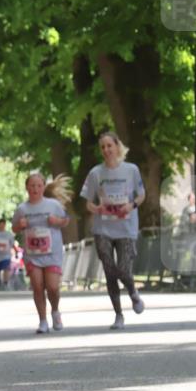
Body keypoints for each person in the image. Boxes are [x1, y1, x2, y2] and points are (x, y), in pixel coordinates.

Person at [80, 131, 146, 329]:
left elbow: (141, 195)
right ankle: (118, 315)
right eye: (103, 147)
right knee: (110, 271)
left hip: (126, 228)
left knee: (124, 269)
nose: (107, 150)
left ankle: (133, 292)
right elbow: (87, 203)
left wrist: (131, 205)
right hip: (103, 229)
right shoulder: (95, 173)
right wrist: (97, 208)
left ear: (118, 146)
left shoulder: (131, 170)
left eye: (110, 145)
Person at [12, 172, 72, 333]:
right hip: (33, 254)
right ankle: (43, 321)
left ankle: (55, 311)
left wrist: (57, 221)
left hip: (52, 253)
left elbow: (66, 220)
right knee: (37, 286)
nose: (35, 189)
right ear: (26, 188)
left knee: (52, 287)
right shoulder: (22, 208)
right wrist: (20, 225)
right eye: (32, 185)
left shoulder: (53, 205)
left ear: (44, 187)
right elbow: (14, 227)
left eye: (38, 185)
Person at [0, 218, 14, 289]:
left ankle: (5, 283)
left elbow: (12, 244)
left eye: (2, 225)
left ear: (5, 225)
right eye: (0, 225)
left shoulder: (9, 234)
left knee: (6, 268)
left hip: (6, 255)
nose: (1, 226)